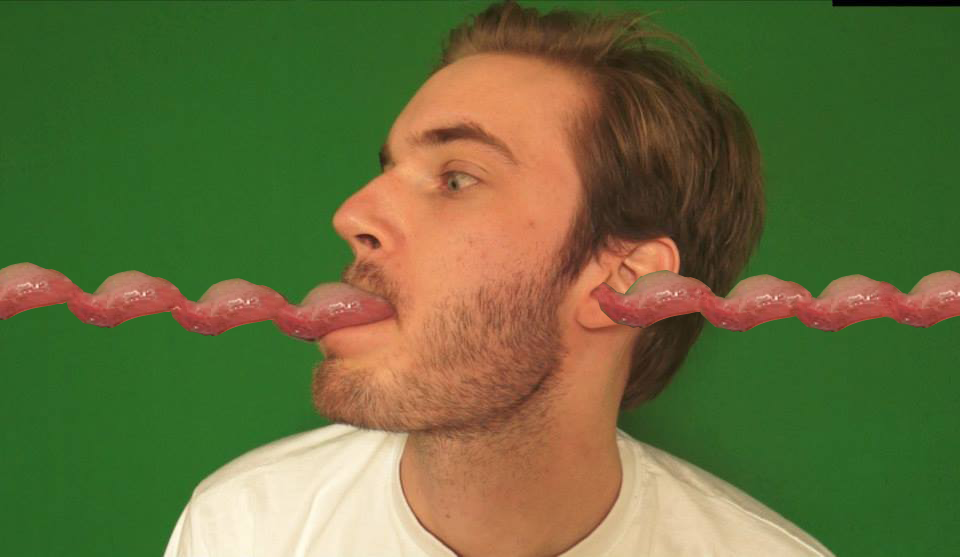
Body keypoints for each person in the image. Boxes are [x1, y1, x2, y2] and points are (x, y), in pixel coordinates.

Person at [164, 1, 834, 555]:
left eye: (456, 178)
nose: (352, 214)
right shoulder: (243, 527)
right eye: (387, 169)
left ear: (628, 282)